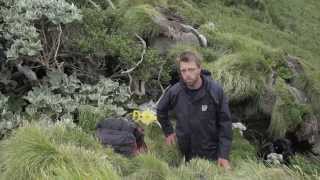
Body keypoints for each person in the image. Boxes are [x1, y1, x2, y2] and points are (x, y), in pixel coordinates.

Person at [157, 51, 232, 169]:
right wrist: (168, 132)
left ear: (199, 68)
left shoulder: (215, 91)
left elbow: (225, 124)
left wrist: (224, 155)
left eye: (191, 69)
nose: (187, 74)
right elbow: (161, 110)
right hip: (183, 151)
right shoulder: (175, 91)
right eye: (183, 70)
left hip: (210, 152)